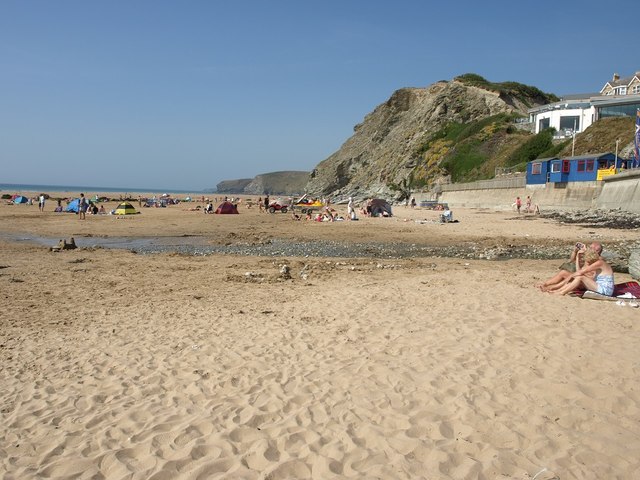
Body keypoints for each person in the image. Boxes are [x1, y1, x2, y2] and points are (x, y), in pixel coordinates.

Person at [539, 241, 603, 292]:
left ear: (598, 251)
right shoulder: (589, 258)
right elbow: (572, 260)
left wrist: (583, 254)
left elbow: (581, 273)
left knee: (572, 278)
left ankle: (552, 288)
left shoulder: (598, 260)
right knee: (563, 272)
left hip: (587, 282)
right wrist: (575, 252)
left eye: (592, 249)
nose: (590, 250)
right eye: (590, 248)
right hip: (581, 277)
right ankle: (545, 284)